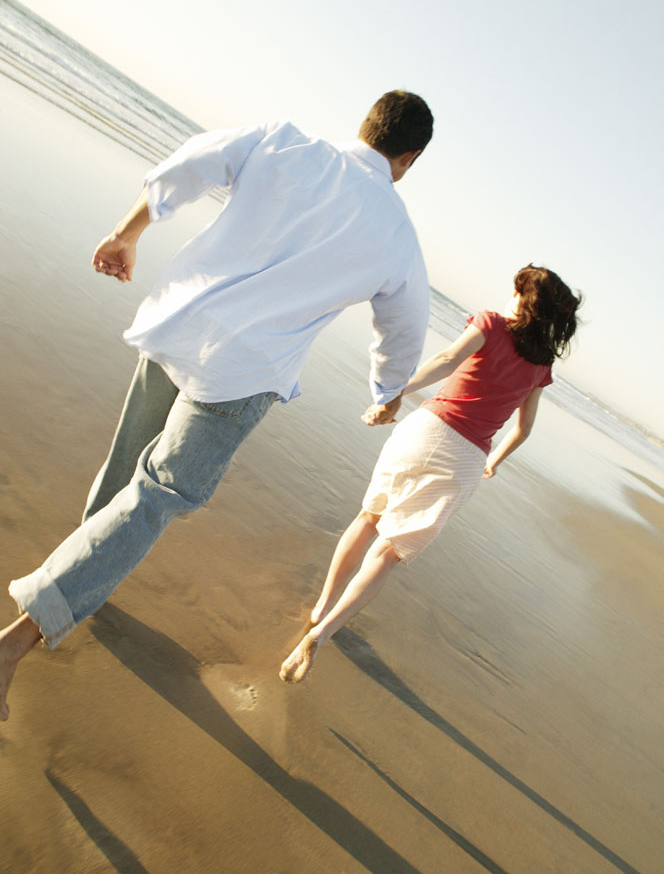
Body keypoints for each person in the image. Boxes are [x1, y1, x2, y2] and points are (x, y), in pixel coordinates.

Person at [0, 91, 434, 721]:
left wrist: (128, 232)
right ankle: (17, 639)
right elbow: (405, 327)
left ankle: (78, 581)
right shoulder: (397, 234)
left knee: (127, 465)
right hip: (243, 371)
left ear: (366, 125)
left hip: (182, 323)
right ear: (409, 158)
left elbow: (191, 162)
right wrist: (387, 392)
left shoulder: (285, 142)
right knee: (155, 498)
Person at [279, 264, 582, 683]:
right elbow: (523, 429)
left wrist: (394, 394)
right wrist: (494, 461)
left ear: (522, 297)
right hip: (466, 460)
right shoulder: (541, 365)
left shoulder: (491, 324)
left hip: (428, 430)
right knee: (388, 553)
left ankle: (320, 607)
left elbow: (446, 360)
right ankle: (323, 633)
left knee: (368, 519)